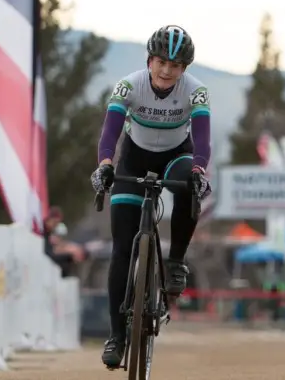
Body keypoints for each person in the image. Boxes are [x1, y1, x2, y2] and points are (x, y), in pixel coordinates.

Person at [89, 25, 212, 367]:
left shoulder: (196, 91)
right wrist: (105, 164)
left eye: (175, 66)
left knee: (189, 184)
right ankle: (116, 335)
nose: (166, 71)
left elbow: (203, 139)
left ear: (184, 69)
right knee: (121, 250)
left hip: (176, 156)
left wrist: (200, 169)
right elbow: (110, 131)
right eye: (161, 62)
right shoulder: (129, 85)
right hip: (133, 157)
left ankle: (175, 261)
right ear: (150, 60)